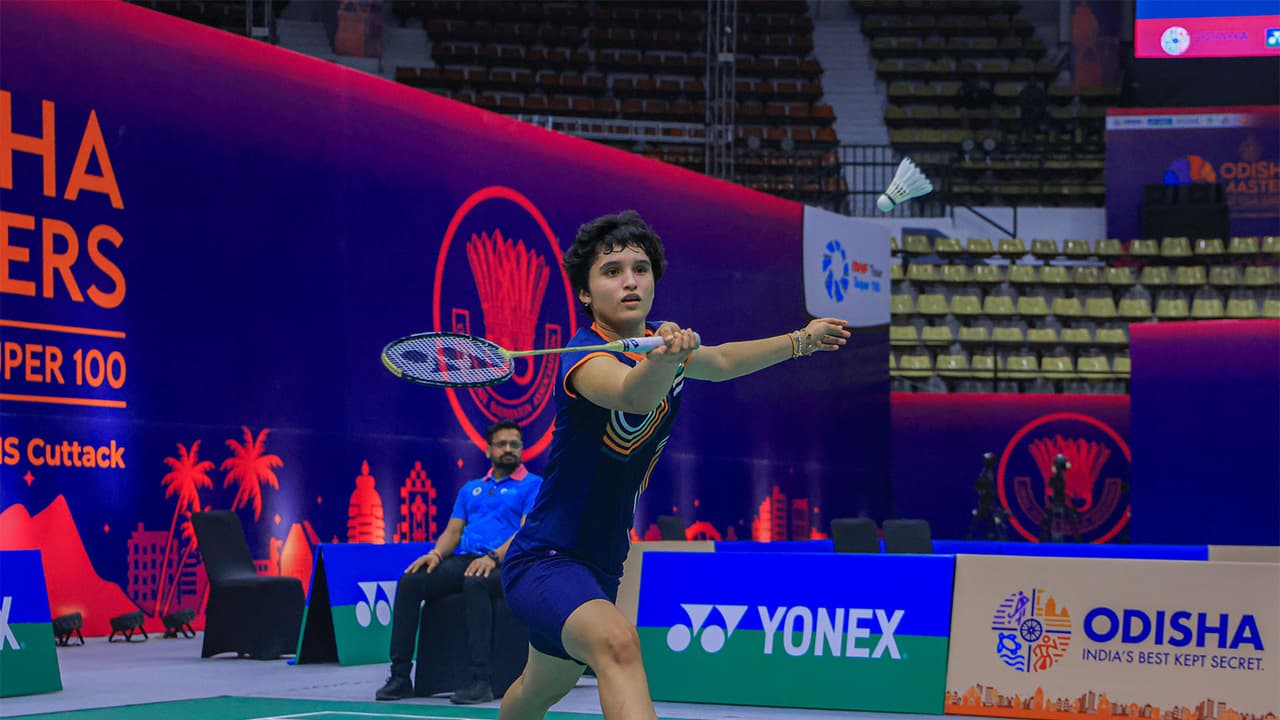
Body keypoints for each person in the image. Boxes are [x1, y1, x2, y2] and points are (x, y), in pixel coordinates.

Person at [496, 211, 850, 720]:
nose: (630, 281)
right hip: (546, 557)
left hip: (603, 564)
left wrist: (802, 340)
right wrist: (664, 360)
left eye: (640, 269)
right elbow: (632, 396)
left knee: (538, 689)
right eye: (612, 271)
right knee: (618, 645)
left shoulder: (660, 341)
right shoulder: (583, 353)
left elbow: (723, 362)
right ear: (585, 294)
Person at [375, 420, 543, 704]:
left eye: (514, 444)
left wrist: (493, 557)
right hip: (465, 558)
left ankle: (480, 681)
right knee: (411, 581)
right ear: (488, 450)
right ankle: (400, 677)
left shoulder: (534, 486)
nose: (508, 449)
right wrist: (436, 554)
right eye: (502, 444)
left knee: (475, 581)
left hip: (509, 563)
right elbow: (453, 532)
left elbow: (526, 532)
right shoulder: (471, 489)